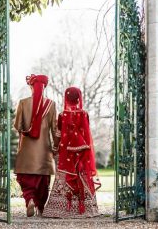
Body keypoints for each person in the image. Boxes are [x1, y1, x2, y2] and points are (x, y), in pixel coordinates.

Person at [43, 87, 101, 218]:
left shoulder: (62, 115)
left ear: (67, 98)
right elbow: (87, 134)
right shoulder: (84, 114)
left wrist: (56, 148)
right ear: (78, 98)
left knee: (65, 176)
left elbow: (58, 134)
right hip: (82, 154)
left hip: (66, 154)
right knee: (82, 176)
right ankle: (86, 209)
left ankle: (63, 210)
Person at [13, 74, 59, 217]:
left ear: (31, 87)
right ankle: (40, 207)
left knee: (26, 179)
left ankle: (30, 199)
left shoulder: (22, 103)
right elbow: (55, 129)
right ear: (44, 87)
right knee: (43, 181)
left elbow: (17, 126)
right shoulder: (51, 104)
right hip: (44, 151)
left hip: (26, 150)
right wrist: (56, 147)